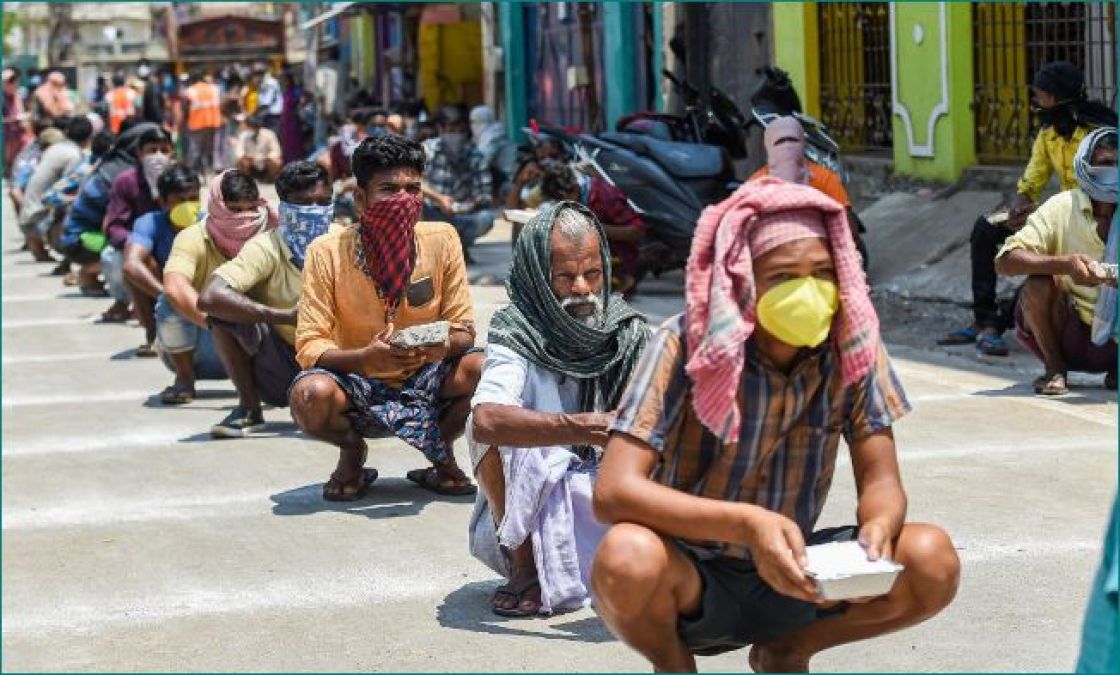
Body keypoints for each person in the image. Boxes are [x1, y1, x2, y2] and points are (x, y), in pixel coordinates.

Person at [591, 177, 960, 672]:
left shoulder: (853, 346)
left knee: (929, 558)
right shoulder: (683, 344)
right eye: (784, 277)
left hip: (796, 570)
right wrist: (747, 524)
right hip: (692, 573)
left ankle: (789, 651)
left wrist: (879, 527)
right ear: (743, 281)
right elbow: (614, 491)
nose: (808, 291)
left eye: (823, 273)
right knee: (625, 556)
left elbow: (882, 480)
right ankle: (673, 665)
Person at [467, 202, 650, 617]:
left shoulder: (628, 331)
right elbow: (487, 419)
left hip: (609, 493)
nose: (583, 289)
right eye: (564, 278)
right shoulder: (516, 329)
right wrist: (583, 427)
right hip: (531, 502)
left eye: (592, 274)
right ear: (537, 278)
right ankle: (524, 567)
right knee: (481, 429)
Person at [288, 134, 481, 501]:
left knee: (491, 372)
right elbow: (310, 345)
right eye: (388, 189)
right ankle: (352, 452)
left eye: (413, 189)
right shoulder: (326, 252)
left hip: (428, 372)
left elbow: (464, 329)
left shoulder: (442, 239)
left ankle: (440, 453)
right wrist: (365, 357)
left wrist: (438, 349)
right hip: (357, 379)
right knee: (309, 395)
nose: (403, 201)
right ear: (361, 199)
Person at [940, 61, 1117, 356]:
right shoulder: (1049, 133)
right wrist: (1020, 205)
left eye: (1041, 95)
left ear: (1058, 96)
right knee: (986, 228)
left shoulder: (1100, 133)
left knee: (1048, 264)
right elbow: (1033, 176)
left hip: (1096, 214)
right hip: (1060, 211)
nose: (1036, 102)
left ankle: (999, 324)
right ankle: (984, 320)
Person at [197, 161, 333, 437]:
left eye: (324, 202)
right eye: (304, 203)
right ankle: (249, 408)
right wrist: (283, 316)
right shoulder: (266, 246)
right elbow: (210, 296)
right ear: (283, 206)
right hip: (284, 361)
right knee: (223, 314)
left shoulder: (346, 240)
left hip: (342, 358)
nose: (316, 211)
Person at [995, 128, 1118, 396]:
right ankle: (1055, 367)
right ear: (1086, 165)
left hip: (1114, 340)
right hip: (1069, 330)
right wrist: (1065, 265)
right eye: (1106, 164)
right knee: (1037, 284)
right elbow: (1006, 260)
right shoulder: (1063, 206)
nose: (1114, 171)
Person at [158, 169, 276, 404]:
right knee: (168, 303)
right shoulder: (192, 237)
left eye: (250, 209)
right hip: (204, 344)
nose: (243, 218)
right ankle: (184, 377)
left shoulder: (274, 234)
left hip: (262, 342)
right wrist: (223, 328)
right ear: (216, 206)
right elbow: (174, 286)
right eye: (234, 209)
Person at [123, 164, 203, 358]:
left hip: (200, 290)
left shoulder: (208, 222)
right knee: (138, 269)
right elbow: (130, 264)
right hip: (165, 290)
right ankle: (152, 335)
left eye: (193, 199)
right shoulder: (149, 223)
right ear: (163, 202)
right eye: (180, 200)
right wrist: (167, 295)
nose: (188, 205)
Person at [99, 127, 174, 323]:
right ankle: (130, 305)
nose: (158, 156)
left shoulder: (181, 178)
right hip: (139, 245)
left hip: (175, 243)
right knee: (116, 259)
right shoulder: (125, 182)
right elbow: (114, 226)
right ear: (140, 154)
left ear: (172, 152)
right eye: (152, 150)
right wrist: (138, 243)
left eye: (164, 150)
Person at [539, 161, 646, 296]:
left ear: (573, 189)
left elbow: (637, 231)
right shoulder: (579, 198)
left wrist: (595, 228)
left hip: (621, 255)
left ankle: (623, 281)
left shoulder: (603, 195)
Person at [421, 104, 495, 261]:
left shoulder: (476, 156)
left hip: (461, 216)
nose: (456, 136)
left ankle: (457, 248)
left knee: (486, 218)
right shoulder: (428, 150)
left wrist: (465, 207)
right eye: (451, 130)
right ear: (440, 129)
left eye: (460, 131)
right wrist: (439, 199)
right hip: (430, 213)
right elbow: (412, 180)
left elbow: (485, 195)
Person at [19, 115, 92, 263]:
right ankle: (68, 254)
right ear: (89, 137)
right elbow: (65, 189)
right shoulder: (73, 155)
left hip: (28, 216)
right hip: (39, 220)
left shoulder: (57, 148)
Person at [470, 105, 516, 198]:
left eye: (474, 122)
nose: (472, 126)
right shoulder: (488, 134)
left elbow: (481, 160)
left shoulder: (493, 136)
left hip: (509, 180)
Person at [184, 71, 222, 177]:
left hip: (197, 124)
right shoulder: (214, 88)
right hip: (214, 122)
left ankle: (196, 173)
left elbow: (186, 108)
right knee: (212, 149)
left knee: (196, 150)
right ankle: (213, 172)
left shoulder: (190, 90)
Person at [236, 113, 283, 182]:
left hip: (265, 161)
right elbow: (239, 150)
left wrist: (268, 158)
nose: (254, 128)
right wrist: (244, 156)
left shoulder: (269, 134)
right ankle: (247, 180)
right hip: (250, 162)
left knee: (276, 162)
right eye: (252, 126)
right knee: (240, 162)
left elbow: (276, 150)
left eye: (255, 126)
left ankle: (269, 179)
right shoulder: (244, 135)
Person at [4, 68, 29, 178]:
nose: (13, 84)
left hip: (18, 135)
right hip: (6, 137)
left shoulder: (18, 95)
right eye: (10, 82)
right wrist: (13, 119)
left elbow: (21, 113)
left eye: (14, 81)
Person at [255, 66, 284, 132]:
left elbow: (267, 101)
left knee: (272, 134)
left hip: (273, 114)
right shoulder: (264, 83)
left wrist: (256, 110)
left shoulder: (270, 82)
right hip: (268, 114)